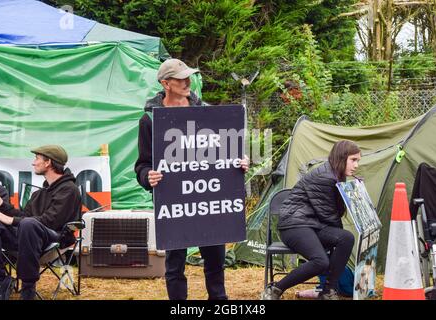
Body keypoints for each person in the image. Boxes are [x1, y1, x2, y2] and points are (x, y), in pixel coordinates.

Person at [135, 58, 249, 300]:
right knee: (175, 265)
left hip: (210, 202)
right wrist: (148, 176)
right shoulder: (150, 120)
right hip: (174, 205)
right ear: (166, 83)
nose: (188, 82)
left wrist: (240, 162)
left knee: (216, 262)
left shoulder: (206, 111)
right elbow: (142, 165)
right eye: (181, 78)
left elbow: (226, 152)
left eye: (189, 76)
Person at [261, 140, 360, 300]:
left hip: (313, 225)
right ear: (341, 158)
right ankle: (276, 289)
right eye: (353, 160)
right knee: (321, 261)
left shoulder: (336, 175)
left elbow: (330, 215)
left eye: (358, 161)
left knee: (346, 238)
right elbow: (329, 215)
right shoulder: (326, 177)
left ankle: (328, 290)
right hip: (293, 225)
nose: (356, 165)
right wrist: (336, 236)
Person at [0, 145, 81, 300]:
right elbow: (24, 215)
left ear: (48, 163)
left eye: (37, 159)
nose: (34, 163)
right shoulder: (39, 193)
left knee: (28, 225)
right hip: (28, 238)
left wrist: (12, 220)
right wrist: (1, 205)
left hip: (55, 239)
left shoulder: (69, 190)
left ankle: (28, 290)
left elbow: (50, 221)